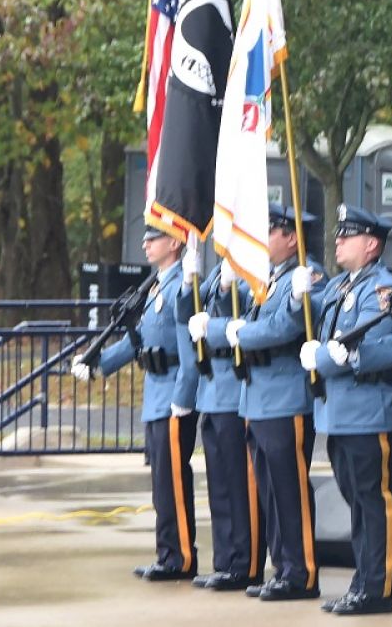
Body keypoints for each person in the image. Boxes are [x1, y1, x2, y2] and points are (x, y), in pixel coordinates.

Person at [291, 204, 392, 616]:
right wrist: (297, 298)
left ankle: (377, 589)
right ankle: (363, 581)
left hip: (370, 410)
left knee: (372, 501)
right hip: (341, 412)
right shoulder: (341, 286)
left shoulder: (382, 288)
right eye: (338, 234)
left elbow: (374, 346)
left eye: (348, 236)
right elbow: (314, 323)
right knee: (355, 500)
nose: (338, 241)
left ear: (372, 244)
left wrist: (326, 359)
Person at [194, 204, 325, 602]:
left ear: (291, 237)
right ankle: (282, 568)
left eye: (269, 232)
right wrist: (227, 320)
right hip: (258, 398)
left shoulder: (306, 276)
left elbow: (282, 328)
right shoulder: (269, 278)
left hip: (286, 398)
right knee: (270, 489)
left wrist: (234, 332)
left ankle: (301, 573)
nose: (262, 240)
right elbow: (244, 319)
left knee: (289, 489)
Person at [71, 226, 199, 581]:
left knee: (173, 481)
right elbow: (138, 341)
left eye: (154, 237)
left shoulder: (181, 288)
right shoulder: (157, 285)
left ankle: (181, 557)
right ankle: (167, 553)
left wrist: (184, 397)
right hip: (156, 394)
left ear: (174, 243)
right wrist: (97, 365)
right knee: (161, 483)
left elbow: (188, 351)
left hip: (173, 395)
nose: (145, 243)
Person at [174, 238, 267, 591]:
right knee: (219, 486)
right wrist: (187, 283)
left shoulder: (250, 273)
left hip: (233, 389)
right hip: (211, 391)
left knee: (240, 485)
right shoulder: (216, 273)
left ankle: (245, 563)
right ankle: (226, 559)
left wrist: (228, 287)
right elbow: (185, 316)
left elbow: (240, 317)